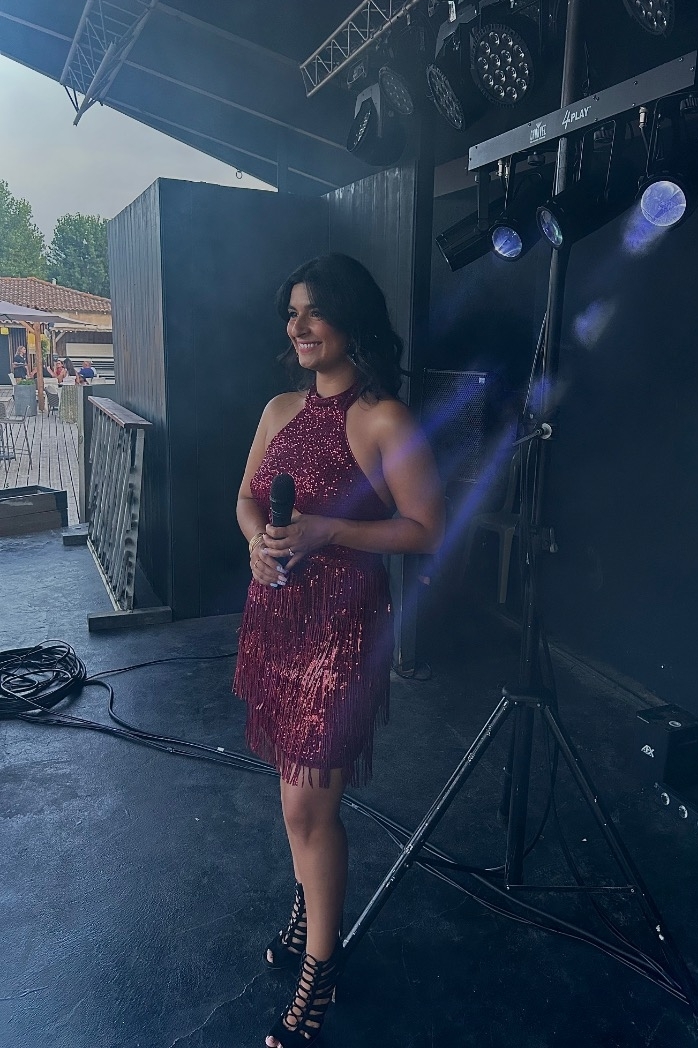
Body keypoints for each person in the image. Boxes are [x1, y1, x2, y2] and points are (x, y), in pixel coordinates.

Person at [232, 254, 444, 1048]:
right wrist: (257, 543)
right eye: (292, 312)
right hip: (275, 623)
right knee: (292, 792)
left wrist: (329, 530)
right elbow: (247, 498)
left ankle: (322, 971)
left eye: (314, 311)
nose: (298, 326)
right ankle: (306, 910)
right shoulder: (279, 408)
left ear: (351, 318)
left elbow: (427, 529)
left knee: (307, 805)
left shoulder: (386, 419)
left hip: (342, 632)